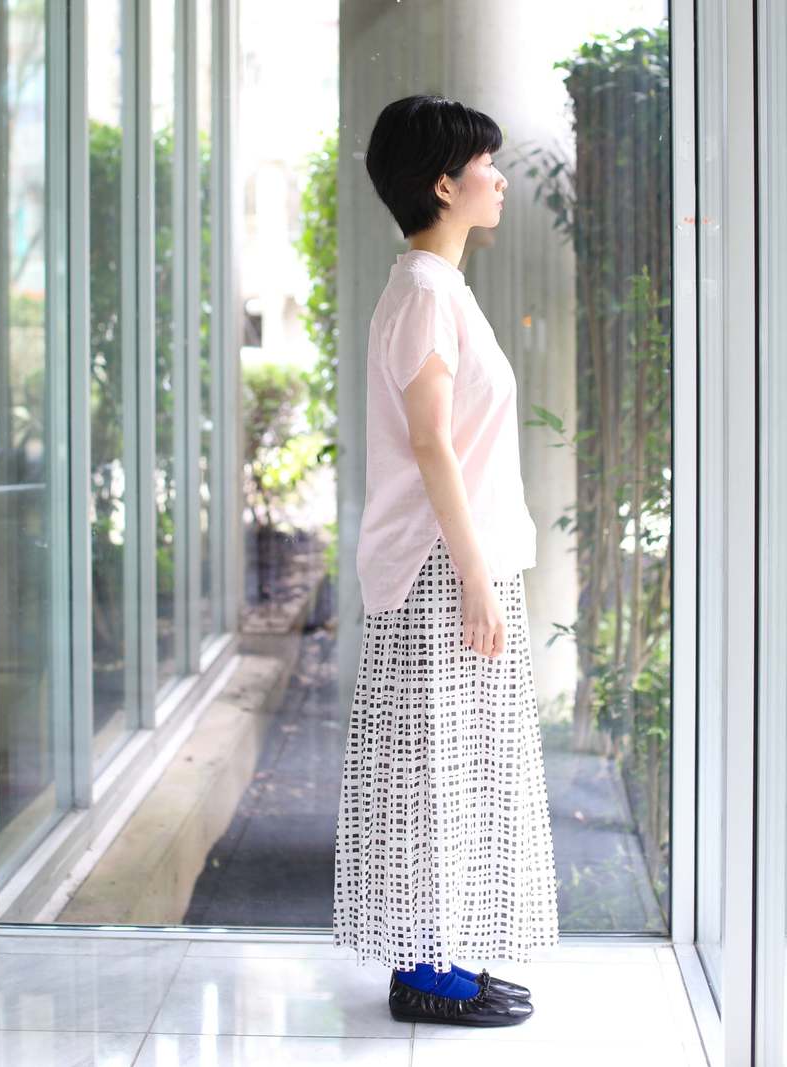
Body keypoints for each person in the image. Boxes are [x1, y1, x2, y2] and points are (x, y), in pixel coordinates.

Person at [332, 94, 560, 1027]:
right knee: (433, 767)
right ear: (441, 184)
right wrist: (473, 577)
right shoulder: (426, 292)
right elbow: (432, 445)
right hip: (439, 566)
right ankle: (425, 970)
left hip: (453, 559)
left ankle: (442, 952)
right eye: (484, 165)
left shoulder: (435, 286)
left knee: (450, 766)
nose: (498, 179)